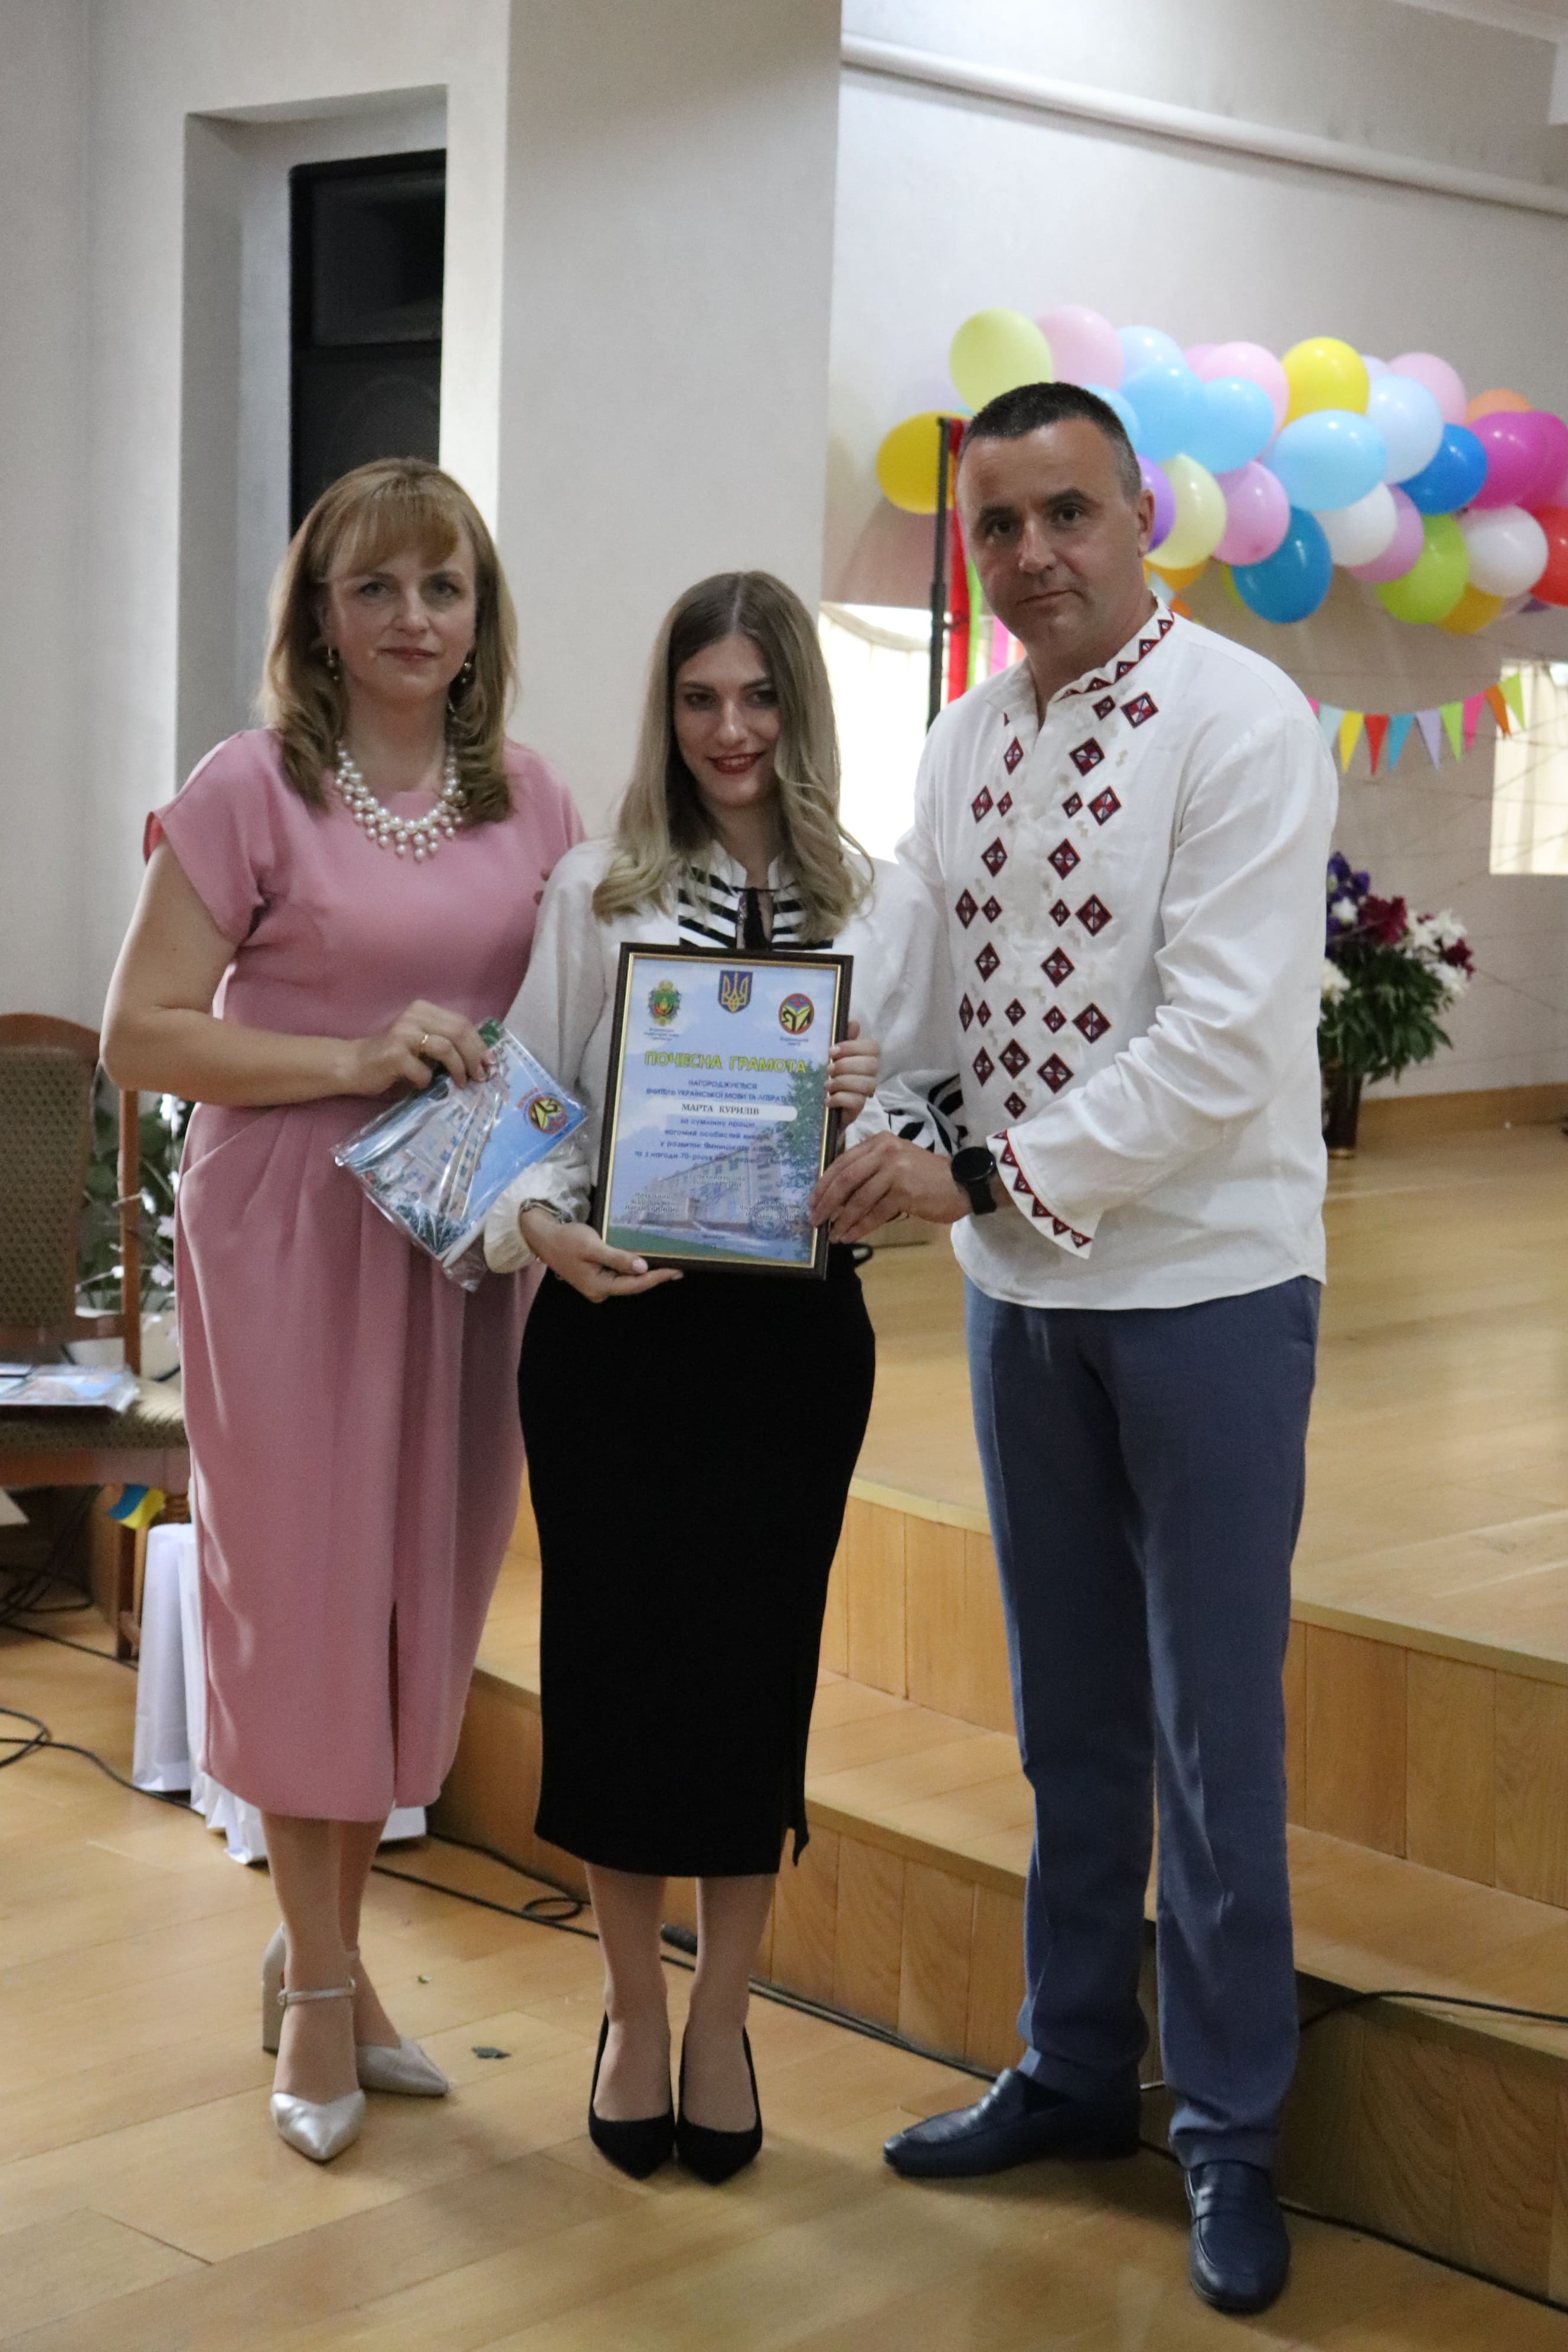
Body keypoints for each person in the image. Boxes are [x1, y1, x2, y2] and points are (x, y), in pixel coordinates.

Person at [811, 382, 1336, 2317]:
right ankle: (1074, 2066)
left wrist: (972, 1174)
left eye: (1068, 514)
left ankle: (1234, 2129)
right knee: (1070, 1717)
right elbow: (918, 993)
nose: (1032, 554)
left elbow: (1220, 1041)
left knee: (1215, 1729)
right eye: (999, 524)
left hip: (1208, 1289)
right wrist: (820, 1082)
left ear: (1141, 519)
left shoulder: (1243, 722)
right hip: (1023, 1302)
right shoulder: (963, 737)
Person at [102, 458, 582, 2164]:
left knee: (410, 1607)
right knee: (303, 1603)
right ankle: (318, 1989)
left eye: (442, 587)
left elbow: (580, 1019)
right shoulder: (250, 787)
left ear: (480, 615)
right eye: (373, 586)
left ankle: (328, 1958)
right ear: (318, 613)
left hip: (461, 1243)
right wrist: (351, 1058)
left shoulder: (536, 799)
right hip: (291, 1236)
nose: (411, 618)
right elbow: (140, 1034)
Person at [483, 571, 959, 2185]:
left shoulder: (886, 908)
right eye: (701, 699)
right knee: (614, 1678)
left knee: (756, 1682)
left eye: (759, 697)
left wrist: (871, 1108)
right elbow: (524, 1105)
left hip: (791, 1353)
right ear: (667, 712)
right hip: (616, 1335)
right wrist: (543, 1232)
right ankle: (631, 2012)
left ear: (800, 708)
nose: (731, 729)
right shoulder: (595, 890)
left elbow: (938, 1121)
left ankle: (724, 2021)